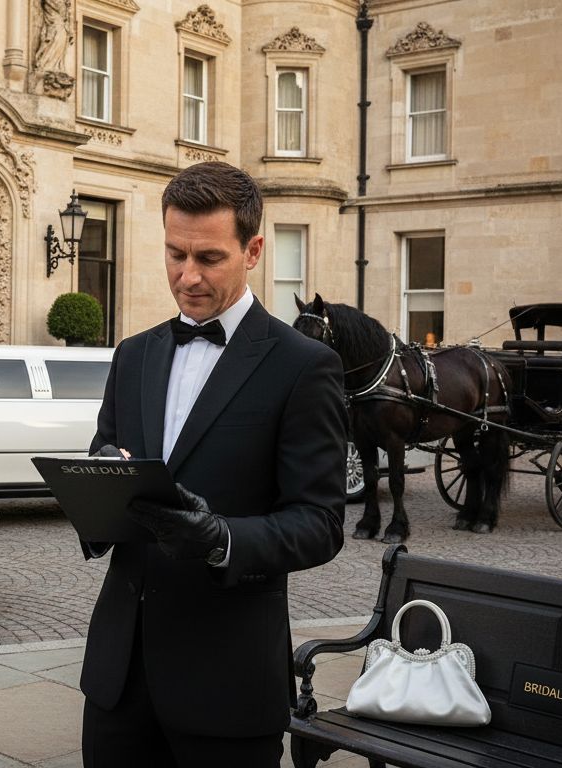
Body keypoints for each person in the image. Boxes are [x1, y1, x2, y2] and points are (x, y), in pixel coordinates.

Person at [79, 162, 348, 767]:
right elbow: (109, 452)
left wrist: (222, 538)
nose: (187, 275)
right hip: (119, 676)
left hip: (228, 681)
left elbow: (321, 522)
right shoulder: (134, 354)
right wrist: (99, 483)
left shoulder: (304, 366)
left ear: (253, 250)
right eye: (175, 254)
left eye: (209, 258)